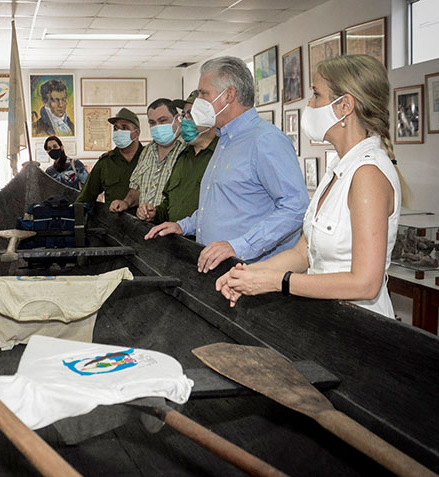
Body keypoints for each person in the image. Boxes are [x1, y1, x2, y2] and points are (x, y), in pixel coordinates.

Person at [216, 55, 402, 318]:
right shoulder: (339, 168)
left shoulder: (367, 174)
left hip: (360, 325)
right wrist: (247, 274)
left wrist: (276, 282)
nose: (310, 104)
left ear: (344, 105)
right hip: (325, 318)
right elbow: (303, 253)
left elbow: (366, 284)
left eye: (316, 95)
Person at [145, 56, 308, 273]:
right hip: (219, 269)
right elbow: (220, 205)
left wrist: (240, 246)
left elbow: (295, 207)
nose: (199, 101)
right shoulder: (225, 140)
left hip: (252, 274)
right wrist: (183, 226)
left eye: (204, 94)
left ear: (229, 95)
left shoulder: (265, 140)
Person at [137, 91, 219, 225]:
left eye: (191, 115)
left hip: (207, 243)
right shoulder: (183, 157)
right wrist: (155, 213)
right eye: (184, 115)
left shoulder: (221, 155)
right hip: (176, 241)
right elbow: (169, 203)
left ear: (210, 117)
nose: (185, 120)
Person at [110, 98, 186, 214]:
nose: (157, 126)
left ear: (177, 119)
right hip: (146, 227)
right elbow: (136, 190)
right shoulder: (147, 151)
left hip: (176, 227)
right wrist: (125, 203)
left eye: (162, 120)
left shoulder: (188, 150)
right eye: (152, 123)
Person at [76, 108, 143, 206]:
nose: (119, 131)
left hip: (147, 219)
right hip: (113, 220)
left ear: (137, 133)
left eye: (124, 127)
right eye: (116, 128)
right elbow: (86, 197)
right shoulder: (105, 163)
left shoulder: (149, 158)